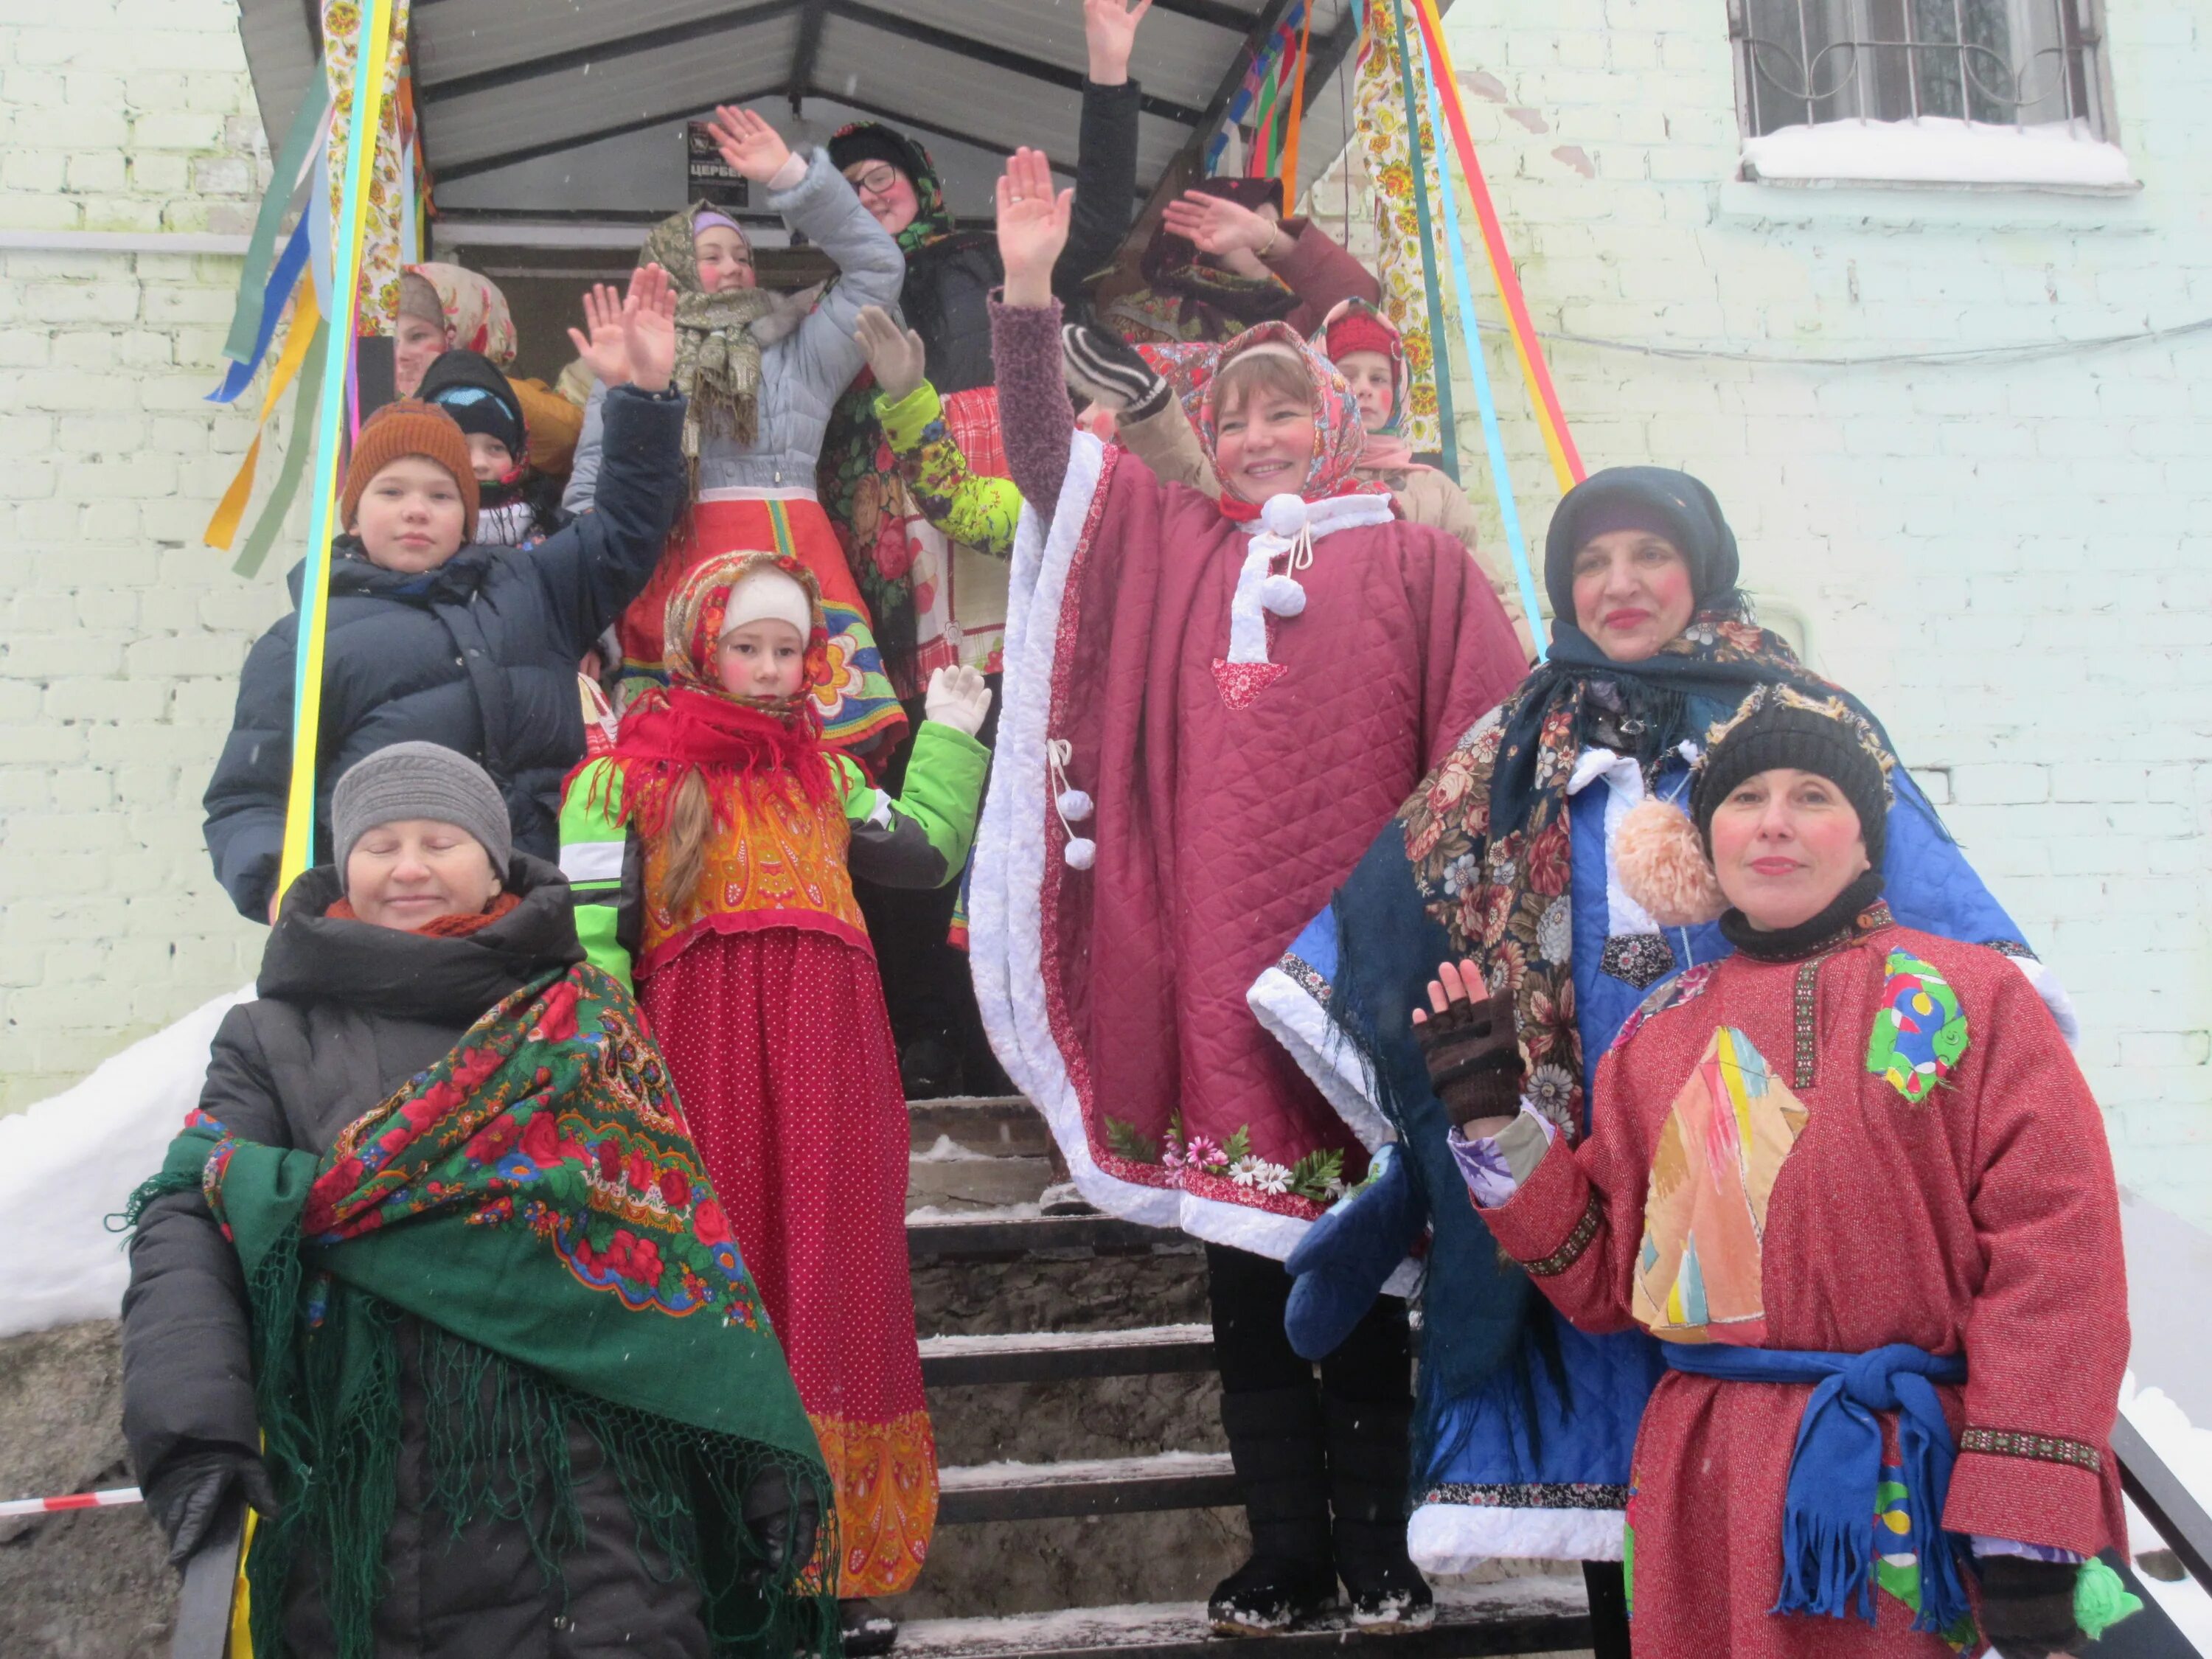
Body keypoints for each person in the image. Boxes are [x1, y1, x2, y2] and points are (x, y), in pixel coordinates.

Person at [1248, 467, 2078, 1656]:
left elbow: (2040, 1209)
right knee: (1656, 1521)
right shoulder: (1516, 742)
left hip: (1854, 1179)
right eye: (1593, 562)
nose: (1621, 584)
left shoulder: (1809, 738)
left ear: (1704, 566)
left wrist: (2030, 1518)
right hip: (1627, 1175)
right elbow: (1393, 910)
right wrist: (1492, 1118)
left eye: (1650, 555)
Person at [972, 146, 1528, 1635]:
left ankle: (1381, 1549)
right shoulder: (1169, 545)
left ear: (1337, 422)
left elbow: (1486, 750)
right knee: (1250, 1282)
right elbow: (1044, 466)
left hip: (1364, 970)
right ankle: (1283, 1550)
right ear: (1205, 442)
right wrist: (1024, 294)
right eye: (1238, 415)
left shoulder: (1416, 565)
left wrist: (1461, 943)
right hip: (1219, 970)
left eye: (1291, 407)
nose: (1267, 431)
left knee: (1374, 1275)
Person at [1431, 687, 2137, 1659]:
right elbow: (1605, 1274)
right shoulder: (1661, 1034)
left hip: (1919, 1475)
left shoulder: (1972, 1000)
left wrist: (2025, 1510)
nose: (1774, 821)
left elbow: (2059, 1259)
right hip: (1711, 1488)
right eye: (1745, 797)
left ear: (1864, 839)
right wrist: (1494, 1118)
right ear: (1707, 845)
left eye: (1811, 795)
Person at [125, 743, 833, 1659]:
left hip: (600, 1519)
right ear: (345, 867)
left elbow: (682, 1250)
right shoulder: (274, 1038)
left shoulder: (587, 1021)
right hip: (369, 1524)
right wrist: (193, 1437)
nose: (409, 867)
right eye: (379, 844)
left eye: (439, 839)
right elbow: (193, 1219)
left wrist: (756, 1473)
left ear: (493, 861)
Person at [559, 554, 992, 1655]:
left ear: (814, 660)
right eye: (745, 645)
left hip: (835, 1060)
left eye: (785, 648)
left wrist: (949, 734)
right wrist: (613, 1065)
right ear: (702, 645)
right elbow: (593, 935)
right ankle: (720, 1567)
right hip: (701, 1064)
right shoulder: (623, 775)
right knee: (731, 1286)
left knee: (838, 1284)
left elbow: (925, 850)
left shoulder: (828, 774)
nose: (764, 667)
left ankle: (833, 1573)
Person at [203, 269, 686, 925]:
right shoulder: (305, 640)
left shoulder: (534, 587)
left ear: (467, 512)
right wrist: (280, 890)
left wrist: (641, 396)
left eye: (439, 496)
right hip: (389, 935)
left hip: (538, 921)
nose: (416, 512)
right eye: (392, 492)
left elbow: (629, 526)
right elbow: (249, 799)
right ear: (353, 513)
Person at [563, 107, 908, 765]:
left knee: (817, 771)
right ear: (666, 269)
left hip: (794, 563)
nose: (734, 268)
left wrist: (794, 179)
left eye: (745, 257)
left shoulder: (799, 348)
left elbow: (877, 269)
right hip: (674, 573)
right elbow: (590, 493)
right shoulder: (635, 359)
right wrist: (584, 617)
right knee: (684, 774)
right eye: (711, 255)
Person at [1062, 298, 1534, 654]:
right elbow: (1198, 482)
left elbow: (1483, 593)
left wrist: (1528, 665)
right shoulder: (1275, 483)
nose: (1365, 392)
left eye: (1381, 380)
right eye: (1349, 376)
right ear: (1325, 386)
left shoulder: (1428, 490)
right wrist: (1152, 409)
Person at [1096, 175, 1382, 347]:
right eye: (1255, 222)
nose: (1265, 238)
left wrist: (1264, 235)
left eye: (1272, 227)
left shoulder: (1280, 319)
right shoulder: (1133, 314)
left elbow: (1359, 304)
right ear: (1201, 237)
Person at [396, 262, 584, 477]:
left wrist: (469, 376)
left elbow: (569, 442)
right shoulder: (374, 407)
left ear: (467, 331)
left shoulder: (529, 402)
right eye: (393, 340)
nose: (400, 354)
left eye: (417, 336)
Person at [417, 347, 566, 549]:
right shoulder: (409, 532)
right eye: (460, 448)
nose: (479, 464)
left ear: (518, 456)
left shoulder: (553, 529)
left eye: (496, 448)